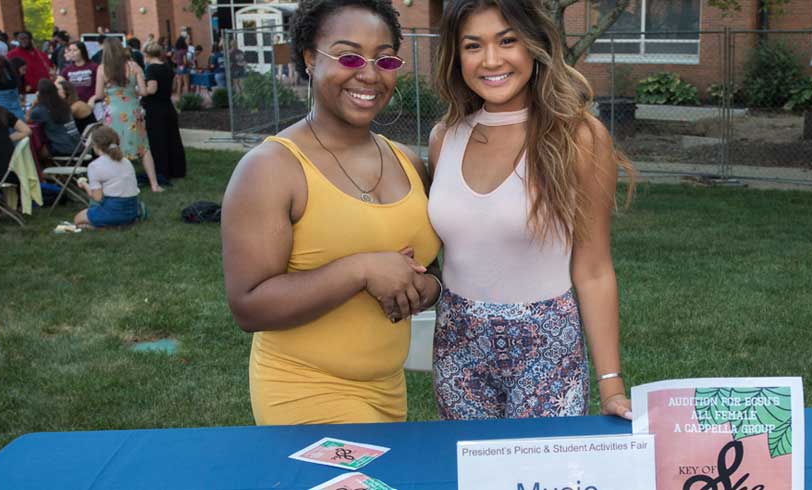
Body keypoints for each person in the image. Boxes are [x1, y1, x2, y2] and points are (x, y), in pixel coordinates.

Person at [222, 0, 440, 426]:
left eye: (385, 59)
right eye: (349, 56)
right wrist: (359, 270)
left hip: (388, 392)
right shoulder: (270, 168)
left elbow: (432, 267)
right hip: (305, 391)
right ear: (309, 59)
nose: (369, 74)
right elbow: (248, 306)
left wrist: (425, 287)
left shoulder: (408, 162)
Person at [428, 0, 636, 421]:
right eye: (473, 46)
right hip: (457, 346)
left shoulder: (576, 136)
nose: (491, 60)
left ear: (534, 45)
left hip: (547, 348)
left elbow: (594, 269)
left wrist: (611, 384)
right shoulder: (443, 138)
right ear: (456, 56)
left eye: (507, 41)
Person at [89, 38, 163, 193]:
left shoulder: (102, 69)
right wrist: (131, 91)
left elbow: (99, 94)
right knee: (143, 147)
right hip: (132, 110)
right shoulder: (133, 66)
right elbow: (143, 92)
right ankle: (154, 184)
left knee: (113, 145)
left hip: (113, 112)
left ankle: (116, 184)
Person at [73, 126, 141, 228]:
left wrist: (84, 184)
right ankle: (127, 221)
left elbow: (97, 197)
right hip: (133, 209)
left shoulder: (94, 166)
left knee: (77, 219)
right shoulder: (126, 161)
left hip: (113, 211)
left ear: (95, 145)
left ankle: (107, 225)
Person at [142, 42, 186, 181]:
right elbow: (173, 86)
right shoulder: (167, 67)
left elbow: (152, 89)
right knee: (172, 138)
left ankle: (162, 170)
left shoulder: (151, 69)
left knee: (158, 140)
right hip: (167, 105)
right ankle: (176, 169)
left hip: (155, 108)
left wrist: (139, 90)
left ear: (146, 54)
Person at [27, 79, 80, 157]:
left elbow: (27, 119)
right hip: (78, 147)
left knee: (36, 148)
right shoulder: (65, 104)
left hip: (63, 149)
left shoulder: (40, 110)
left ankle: (46, 166)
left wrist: (34, 103)